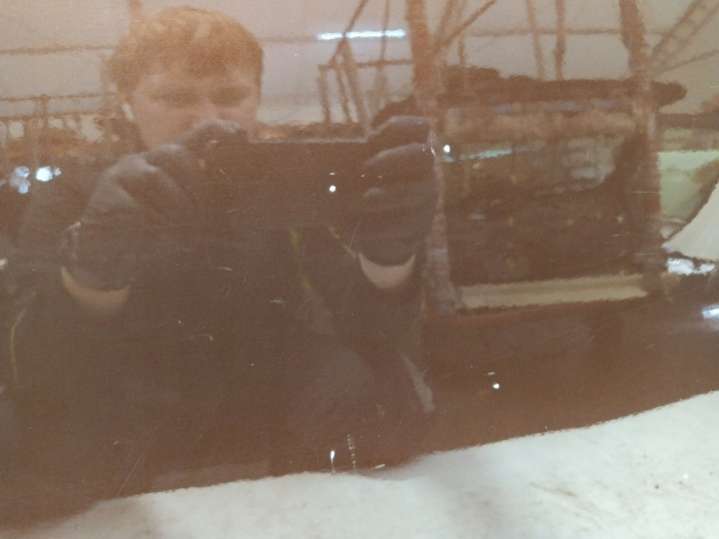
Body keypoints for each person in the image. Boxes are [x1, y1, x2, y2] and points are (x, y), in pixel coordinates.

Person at [1, 6, 437, 522]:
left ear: (257, 97)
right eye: (175, 97)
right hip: (128, 446)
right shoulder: (75, 196)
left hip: (280, 434)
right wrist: (91, 270)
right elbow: (29, 365)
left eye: (230, 96)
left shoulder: (288, 182)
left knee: (367, 385)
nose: (207, 118)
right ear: (127, 102)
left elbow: (369, 331)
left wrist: (388, 258)